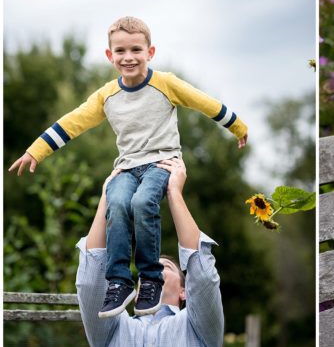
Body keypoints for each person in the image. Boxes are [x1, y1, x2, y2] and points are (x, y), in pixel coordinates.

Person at [9, 16, 247, 318]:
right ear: (110, 56)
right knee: (118, 202)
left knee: (142, 202)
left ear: (150, 52)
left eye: (136, 50)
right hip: (126, 167)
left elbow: (204, 102)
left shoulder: (166, 84)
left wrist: (237, 126)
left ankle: (150, 278)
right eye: (120, 51)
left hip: (163, 162)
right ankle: (119, 281)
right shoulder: (107, 96)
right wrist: (36, 151)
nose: (129, 57)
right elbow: (73, 122)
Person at [77, 157, 224, 347]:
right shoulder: (111, 329)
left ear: (184, 291)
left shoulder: (199, 329)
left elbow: (203, 278)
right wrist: (107, 197)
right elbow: (90, 281)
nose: (154, 270)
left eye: (165, 267)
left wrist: (174, 193)